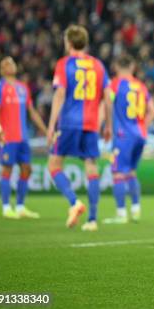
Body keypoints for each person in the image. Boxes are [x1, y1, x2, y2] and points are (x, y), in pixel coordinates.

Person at [47, 25, 112, 231]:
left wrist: (51, 125)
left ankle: (74, 203)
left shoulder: (64, 64)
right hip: (92, 124)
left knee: (55, 166)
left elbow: (59, 94)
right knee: (92, 168)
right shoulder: (98, 66)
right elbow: (108, 99)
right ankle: (92, 220)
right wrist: (108, 124)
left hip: (68, 123)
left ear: (68, 42)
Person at [0, 57, 47, 219]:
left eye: (12, 62)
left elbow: (32, 111)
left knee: (26, 169)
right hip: (7, 136)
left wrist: (45, 129)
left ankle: (21, 206)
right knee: (7, 169)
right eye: (6, 64)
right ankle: (6, 207)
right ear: (1, 70)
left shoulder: (23, 88)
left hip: (23, 137)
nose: (11, 65)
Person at [104, 55, 154, 224]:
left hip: (123, 135)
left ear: (116, 67)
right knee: (131, 172)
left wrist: (107, 126)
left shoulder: (115, 84)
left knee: (118, 173)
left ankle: (121, 214)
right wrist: (142, 126)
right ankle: (135, 210)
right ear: (133, 67)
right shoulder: (141, 86)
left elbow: (107, 102)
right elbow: (153, 111)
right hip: (140, 135)